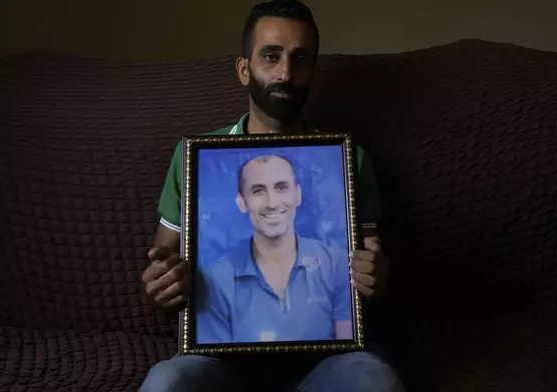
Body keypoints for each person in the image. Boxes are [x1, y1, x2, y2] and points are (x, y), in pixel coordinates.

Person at [140, 1, 405, 391]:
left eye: (300, 59)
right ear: (244, 69)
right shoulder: (195, 157)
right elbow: (166, 270)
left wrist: (376, 279)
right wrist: (164, 286)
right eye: (271, 56)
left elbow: (367, 286)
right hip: (220, 364)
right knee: (168, 382)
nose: (285, 73)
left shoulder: (350, 160)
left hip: (325, 363)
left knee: (375, 379)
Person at [197, 154, 353, 344]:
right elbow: (215, 364)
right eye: (258, 191)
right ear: (241, 202)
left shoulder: (336, 263)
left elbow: (349, 356)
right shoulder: (216, 279)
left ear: (298, 196)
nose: (272, 203)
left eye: (281, 188)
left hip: (327, 371)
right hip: (241, 372)